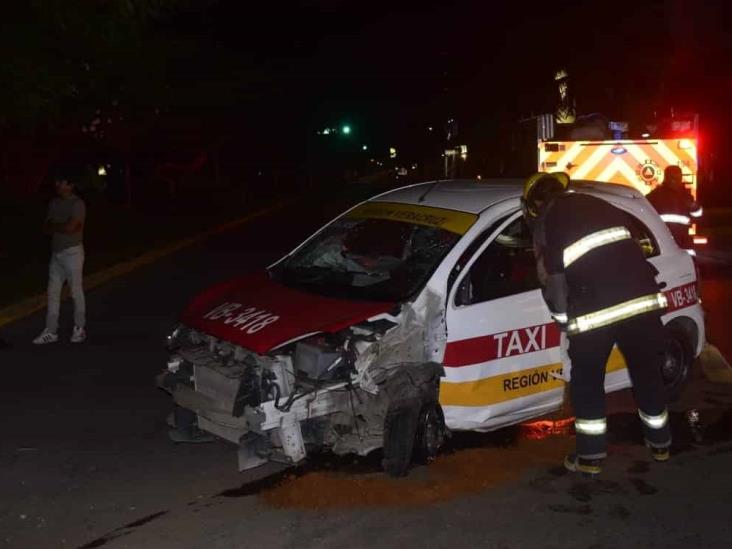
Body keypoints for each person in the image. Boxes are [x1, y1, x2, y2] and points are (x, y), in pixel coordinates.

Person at [523, 172, 671, 476]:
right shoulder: (597, 204)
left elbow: (554, 283)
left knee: (587, 380)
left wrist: (563, 322)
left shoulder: (547, 223)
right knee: (647, 372)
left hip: (594, 311)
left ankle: (590, 458)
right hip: (642, 303)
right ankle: (661, 444)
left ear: (537, 202)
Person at [33, 167, 87, 344]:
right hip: (56, 254)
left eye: (61, 182)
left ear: (70, 185)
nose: (57, 185)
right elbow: (46, 227)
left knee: (75, 291)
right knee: (53, 292)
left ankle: (79, 327)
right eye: (57, 181)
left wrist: (58, 226)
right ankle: (51, 330)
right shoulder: (54, 203)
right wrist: (62, 226)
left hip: (72, 253)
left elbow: (72, 228)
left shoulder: (77, 204)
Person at [646, 165, 702, 251]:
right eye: (673, 178)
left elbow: (698, 216)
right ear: (667, 178)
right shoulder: (655, 195)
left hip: (679, 238)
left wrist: (693, 206)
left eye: (678, 178)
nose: (676, 181)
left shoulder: (685, 196)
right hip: (667, 237)